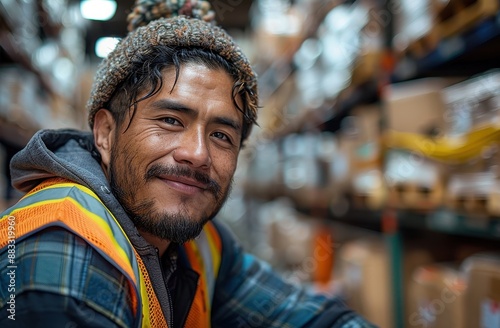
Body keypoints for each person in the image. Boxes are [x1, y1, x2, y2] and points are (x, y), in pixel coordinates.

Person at [0, 1, 376, 327]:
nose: (197, 154)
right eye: (170, 121)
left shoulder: (201, 244)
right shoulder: (65, 253)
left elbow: (308, 317)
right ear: (105, 133)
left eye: (221, 135)